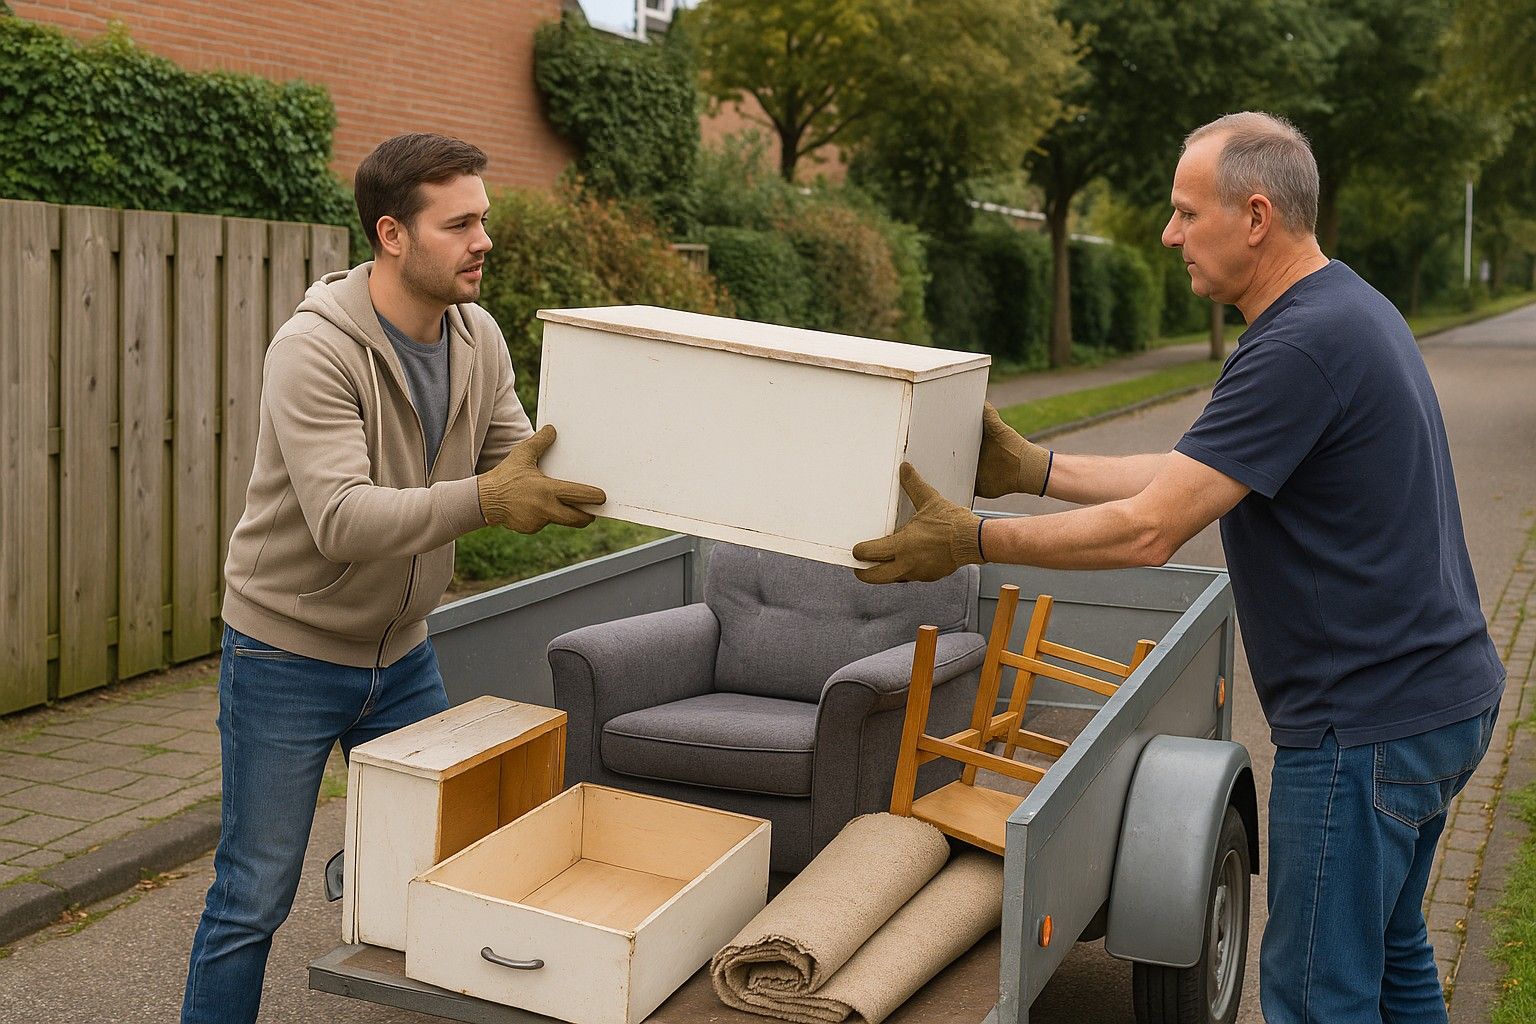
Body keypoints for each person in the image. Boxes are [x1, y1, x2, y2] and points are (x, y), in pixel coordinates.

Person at [853, 111, 1503, 1023]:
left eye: (1185, 213)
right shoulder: (1343, 307)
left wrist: (973, 539)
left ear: (1256, 216)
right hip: (1437, 701)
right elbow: (1193, 478)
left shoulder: (1296, 347)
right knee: (1393, 962)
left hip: (1366, 727)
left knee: (1319, 997)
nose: (1168, 236)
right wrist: (1035, 471)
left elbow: (1150, 531)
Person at [181, 133, 606, 1024]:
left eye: (483, 219)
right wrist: (493, 498)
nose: (483, 239)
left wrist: (637, 469)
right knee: (254, 893)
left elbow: (516, 461)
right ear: (393, 235)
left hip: (405, 654)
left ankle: (365, 856)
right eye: (459, 224)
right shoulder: (313, 350)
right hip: (286, 655)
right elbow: (344, 517)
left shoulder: (477, 335)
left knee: (448, 863)